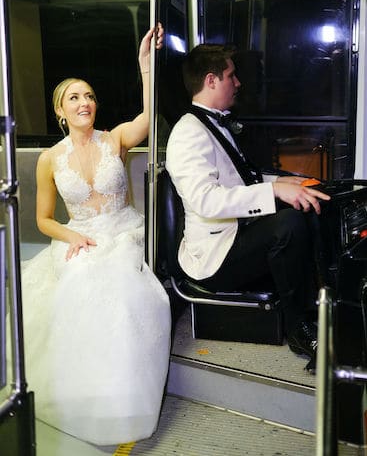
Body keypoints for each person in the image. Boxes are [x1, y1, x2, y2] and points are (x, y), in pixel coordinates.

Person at [18, 24, 171, 445]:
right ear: (60, 112)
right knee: (77, 284)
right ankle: (83, 394)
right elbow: (45, 220)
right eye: (74, 97)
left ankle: (124, 397)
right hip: (79, 236)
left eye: (89, 95)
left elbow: (148, 115)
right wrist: (73, 238)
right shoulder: (49, 159)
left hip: (122, 233)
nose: (84, 102)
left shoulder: (116, 139)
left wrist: (145, 66)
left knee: (121, 291)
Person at [165, 43, 331, 373]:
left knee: (310, 203)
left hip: (236, 231)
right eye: (231, 75)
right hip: (214, 255)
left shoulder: (214, 124)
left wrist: (290, 184)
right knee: (288, 226)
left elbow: (243, 179)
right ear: (211, 81)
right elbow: (206, 201)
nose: (238, 82)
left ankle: (323, 308)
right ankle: (301, 330)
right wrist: (273, 191)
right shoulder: (187, 133)